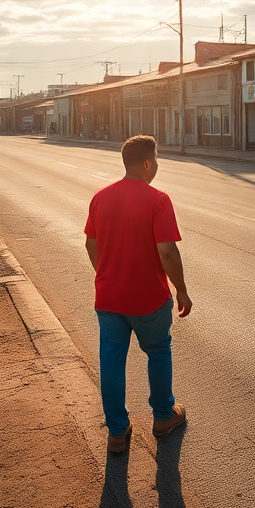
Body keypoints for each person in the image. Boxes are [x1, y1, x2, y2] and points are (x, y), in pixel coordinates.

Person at [84, 134, 192, 455]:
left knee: (112, 360)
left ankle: (118, 431)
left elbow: (91, 244)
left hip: (109, 298)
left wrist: (106, 274)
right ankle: (162, 416)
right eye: (156, 160)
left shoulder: (101, 197)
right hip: (149, 299)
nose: (157, 166)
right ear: (146, 163)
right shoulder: (158, 200)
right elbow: (167, 252)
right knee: (158, 351)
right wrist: (182, 289)